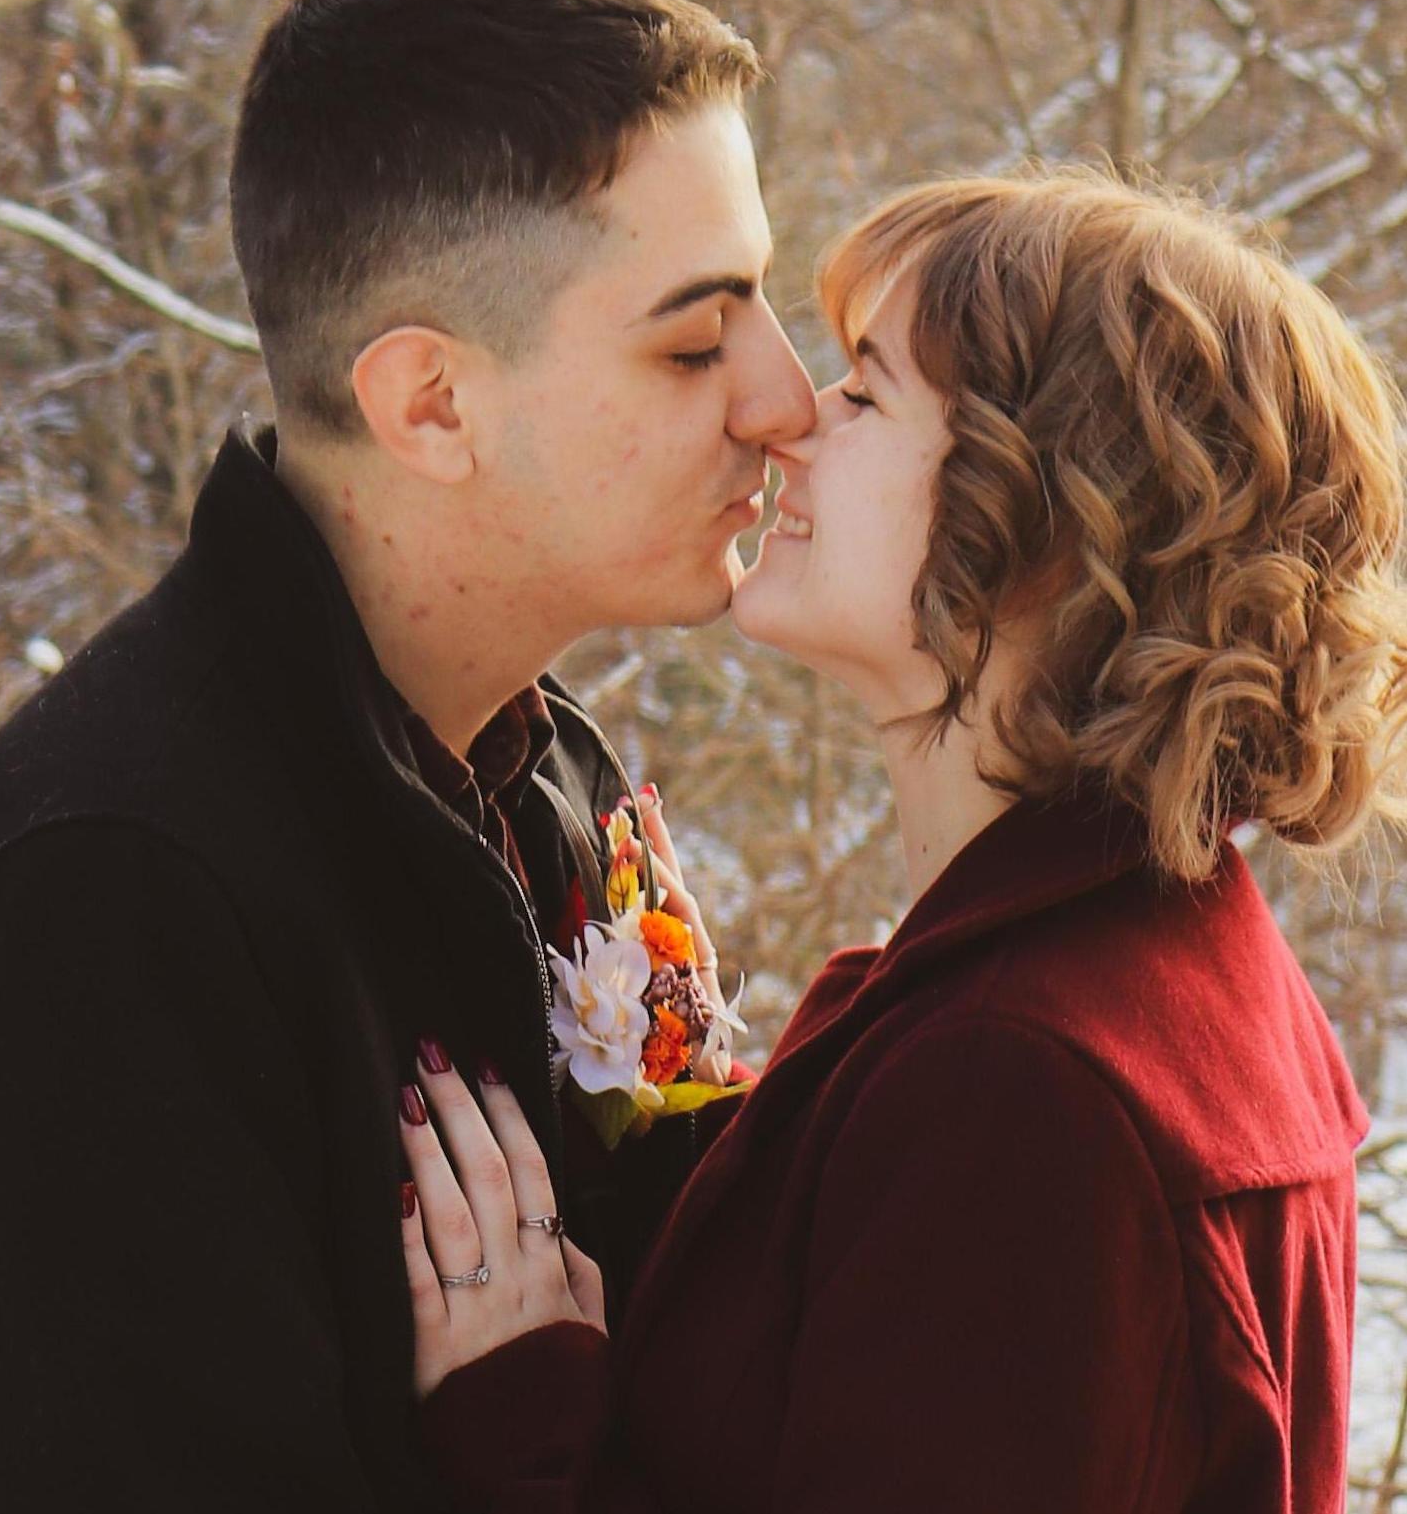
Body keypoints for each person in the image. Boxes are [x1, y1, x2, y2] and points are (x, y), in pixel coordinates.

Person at [0, 0, 816, 1506]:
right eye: (695, 341)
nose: (784, 397)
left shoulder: (543, 771)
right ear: (429, 403)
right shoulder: (106, 903)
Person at [397, 168, 1406, 1510]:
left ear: (1048, 528)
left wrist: (523, 1432)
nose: (788, 425)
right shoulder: (1168, 982)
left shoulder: (1020, 1084)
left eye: (865, 394)